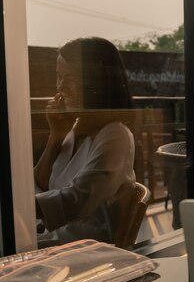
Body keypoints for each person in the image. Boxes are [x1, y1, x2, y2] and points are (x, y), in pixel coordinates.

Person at [34, 37, 136, 245]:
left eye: (71, 78)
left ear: (97, 82)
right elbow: (41, 183)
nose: (61, 87)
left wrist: (18, 206)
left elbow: (77, 202)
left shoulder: (115, 135)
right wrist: (56, 135)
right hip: (56, 240)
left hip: (84, 249)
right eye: (59, 77)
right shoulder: (73, 130)